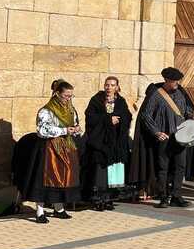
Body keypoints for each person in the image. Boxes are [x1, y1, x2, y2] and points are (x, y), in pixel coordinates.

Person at [18, 80, 83, 223]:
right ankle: (40, 211)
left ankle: (58, 207)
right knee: (45, 179)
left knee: (63, 178)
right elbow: (42, 130)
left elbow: (75, 123)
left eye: (71, 96)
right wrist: (64, 130)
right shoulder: (46, 110)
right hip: (49, 149)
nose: (68, 98)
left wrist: (76, 130)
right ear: (57, 94)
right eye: (66, 95)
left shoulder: (71, 109)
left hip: (67, 147)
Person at [135, 67, 194, 208]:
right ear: (167, 80)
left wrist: (192, 115)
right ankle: (163, 197)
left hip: (181, 137)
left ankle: (176, 195)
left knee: (180, 167)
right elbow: (146, 115)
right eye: (174, 81)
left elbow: (186, 110)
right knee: (163, 168)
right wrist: (157, 132)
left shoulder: (181, 93)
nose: (177, 83)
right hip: (165, 138)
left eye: (178, 81)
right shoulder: (157, 95)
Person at [83, 76, 132, 211]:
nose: (109, 87)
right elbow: (90, 117)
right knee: (101, 171)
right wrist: (108, 119)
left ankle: (110, 198)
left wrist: (120, 121)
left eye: (112, 85)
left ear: (117, 87)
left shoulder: (121, 101)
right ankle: (99, 199)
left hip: (116, 142)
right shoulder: (96, 100)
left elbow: (127, 116)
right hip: (101, 141)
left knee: (114, 170)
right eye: (107, 85)